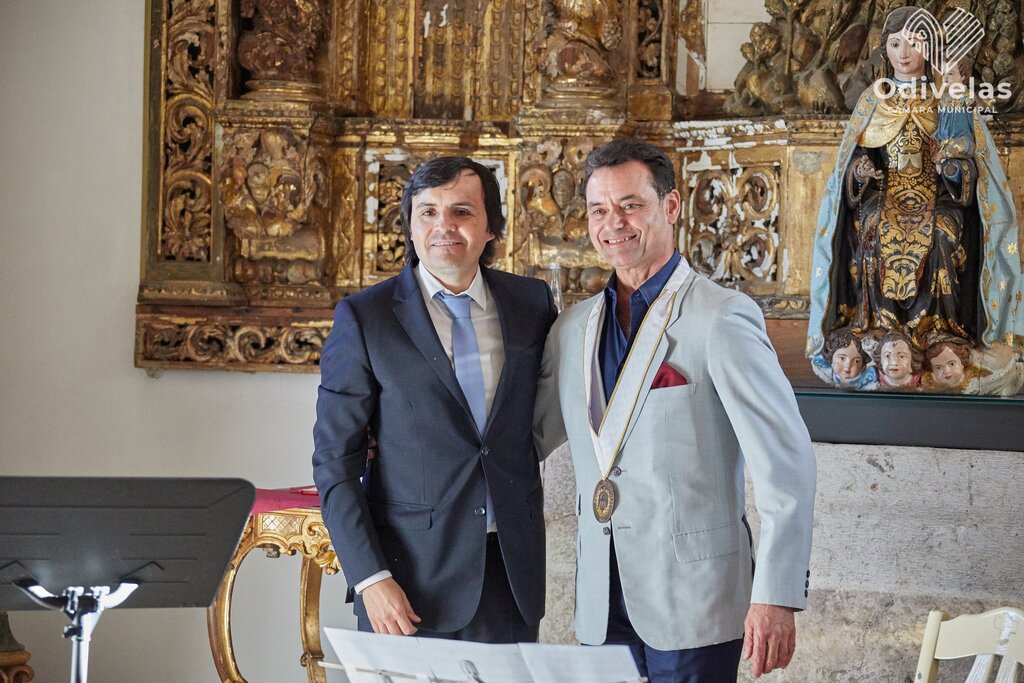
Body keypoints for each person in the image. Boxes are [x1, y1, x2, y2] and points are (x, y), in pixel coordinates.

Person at [534, 138, 816, 682]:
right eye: (598, 209)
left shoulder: (722, 318)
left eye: (630, 204)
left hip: (696, 600)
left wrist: (776, 595)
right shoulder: (571, 330)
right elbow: (525, 438)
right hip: (601, 602)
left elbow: (786, 463)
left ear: (670, 206)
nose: (613, 223)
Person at [313, 157, 557, 643]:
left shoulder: (531, 304)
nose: (444, 225)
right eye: (428, 212)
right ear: (410, 227)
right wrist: (370, 578)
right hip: (407, 582)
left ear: (491, 227)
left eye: (462, 211)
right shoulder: (365, 318)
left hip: (509, 574)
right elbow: (334, 464)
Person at [806, 7, 1024, 366]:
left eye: (914, 43)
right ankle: (879, 325)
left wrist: (951, 168)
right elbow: (855, 158)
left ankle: (940, 326)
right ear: (884, 50)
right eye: (895, 44)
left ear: (930, 48)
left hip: (937, 194)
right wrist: (860, 171)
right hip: (885, 191)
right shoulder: (874, 100)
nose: (904, 54)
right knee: (872, 230)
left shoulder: (948, 96)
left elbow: (970, 164)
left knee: (941, 234)